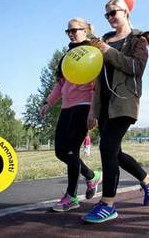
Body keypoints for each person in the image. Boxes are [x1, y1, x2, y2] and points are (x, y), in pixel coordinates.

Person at [82, 0, 149, 223]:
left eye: (114, 12)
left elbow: (136, 67)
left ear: (126, 12)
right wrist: (92, 110)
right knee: (114, 151)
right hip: (104, 103)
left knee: (107, 147)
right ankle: (147, 179)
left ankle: (108, 204)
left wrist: (107, 51)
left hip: (124, 102)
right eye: (107, 14)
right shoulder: (103, 40)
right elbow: (96, 77)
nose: (110, 18)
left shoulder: (138, 38)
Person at [41, 18, 102, 212]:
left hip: (84, 105)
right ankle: (91, 176)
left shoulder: (93, 51)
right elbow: (60, 84)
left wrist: (93, 110)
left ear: (85, 30)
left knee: (71, 151)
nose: (71, 33)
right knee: (60, 151)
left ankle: (72, 197)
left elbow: (97, 83)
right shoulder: (67, 56)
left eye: (75, 30)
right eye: (68, 31)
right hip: (67, 107)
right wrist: (48, 103)